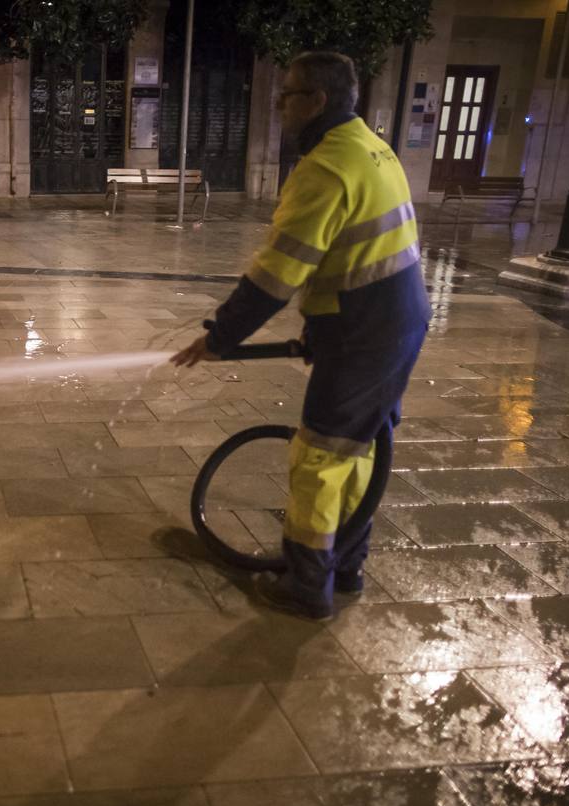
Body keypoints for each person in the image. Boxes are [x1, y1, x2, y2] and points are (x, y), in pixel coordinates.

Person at [170, 51, 429, 621]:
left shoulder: (325, 169)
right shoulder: (371, 148)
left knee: (319, 456)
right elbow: (347, 257)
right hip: (391, 322)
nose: (277, 105)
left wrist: (220, 337)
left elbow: (276, 275)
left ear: (316, 101)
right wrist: (321, 328)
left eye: (286, 94)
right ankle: (346, 565)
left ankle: (308, 586)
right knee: (357, 447)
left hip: (366, 333)